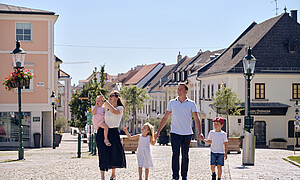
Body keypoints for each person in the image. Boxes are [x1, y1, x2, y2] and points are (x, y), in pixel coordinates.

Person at [154, 83, 203, 180]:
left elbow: (196, 118)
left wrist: (200, 132)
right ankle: (175, 176)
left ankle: (184, 176)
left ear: (185, 91)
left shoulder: (191, 103)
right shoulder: (172, 103)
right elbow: (165, 117)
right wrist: (158, 131)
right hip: (175, 132)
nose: (178, 91)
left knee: (185, 155)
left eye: (181, 89)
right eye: (178, 89)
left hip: (187, 133)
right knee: (175, 154)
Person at [96, 91, 126, 180]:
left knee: (114, 153)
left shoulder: (120, 108)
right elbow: (99, 111)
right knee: (102, 153)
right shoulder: (106, 107)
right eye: (109, 96)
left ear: (117, 98)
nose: (109, 97)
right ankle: (102, 176)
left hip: (113, 132)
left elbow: (114, 111)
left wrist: (105, 101)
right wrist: (99, 101)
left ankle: (113, 174)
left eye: (111, 96)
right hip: (103, 131)